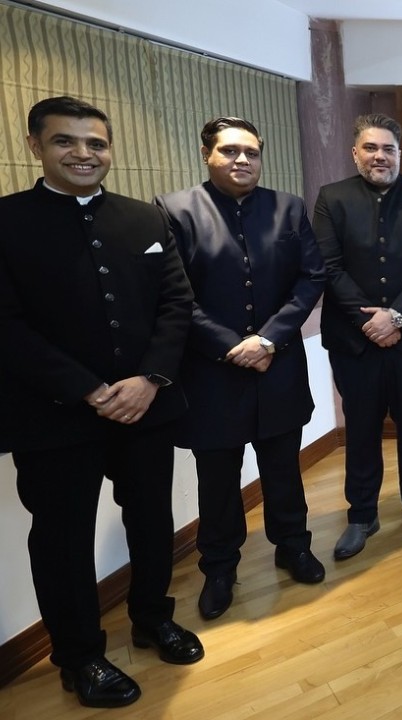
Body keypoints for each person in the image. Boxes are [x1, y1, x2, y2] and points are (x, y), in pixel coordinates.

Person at [0, 96, 202, 708]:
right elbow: (5, 325)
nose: (84, 154)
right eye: (67, 142)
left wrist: (149, 380)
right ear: (36, 146)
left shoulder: (145, 219)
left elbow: (176, 305)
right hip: (53, 413)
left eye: (96, 143)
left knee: (150, 519)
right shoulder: (7, 221)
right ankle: (80, 655)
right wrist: (87, 388)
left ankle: (151, 618)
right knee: (62, 538)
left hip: (147, 406)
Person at [155, 116, 327, 621]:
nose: (242, 160)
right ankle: (220, 567)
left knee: (282, 468)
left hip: (278, 365)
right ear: (207, 154)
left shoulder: (288, 208)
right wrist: (232, 346)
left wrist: (269, 338)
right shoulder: (175, 210)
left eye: (251, 151)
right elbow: (174, 292)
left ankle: (293, 545)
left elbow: (310, 277)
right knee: (217, 476)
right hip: (212, 371)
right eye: (230, 151)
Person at [314, 113, 402, 558]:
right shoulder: (331, 198)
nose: (380, 156)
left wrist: (395, 317)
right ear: (355, 153)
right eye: (371, 148)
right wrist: (368, 321)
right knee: (361, 427)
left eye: (388, 149)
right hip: (353, 341)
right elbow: (328, 266)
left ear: (399, 153)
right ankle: (361, 515)